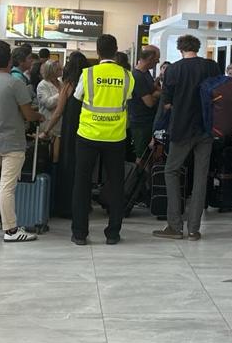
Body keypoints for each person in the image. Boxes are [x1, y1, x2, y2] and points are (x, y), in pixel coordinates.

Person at [152, 34, 219, 241]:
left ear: (180, 49)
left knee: (171, 170)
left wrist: (157, 129)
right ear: (197, 48)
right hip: (206, 128)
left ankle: (174, 225)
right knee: (200, 176)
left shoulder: (174, 69)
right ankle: (194, 229)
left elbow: (165, 102)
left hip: (181, 129)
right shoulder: (211, 67)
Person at [0, 41, 41, 242]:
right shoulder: (15, 83)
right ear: (10, 58)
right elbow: (28, 114)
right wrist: (40, 117)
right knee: (7, 186)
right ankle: (10, 230)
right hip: (12, 141)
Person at [71, 34, 133, 246]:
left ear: (97, 51)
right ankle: (113, 233)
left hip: (88, 135)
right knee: (115, 185)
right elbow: (127, 100)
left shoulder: (88, 74)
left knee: (82, 183)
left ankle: (80, 233)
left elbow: (77, 97)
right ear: (116, 51)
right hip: (116, 136)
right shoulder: (126, 76)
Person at [42, 52, 87, 219]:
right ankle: (82, 204)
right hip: (86, 128)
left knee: (68, 166)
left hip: (69, 130)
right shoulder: (88, 83)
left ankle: (66, 206)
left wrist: (46, 130)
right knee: (82, 169)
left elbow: (58, 111)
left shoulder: (68, 85)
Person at [127, 45, 161, 159]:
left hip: (148, 121)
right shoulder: (137, 76)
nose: (158, 61)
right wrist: (156, 94)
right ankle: (141, 176)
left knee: (147, 155)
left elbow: (153, 89)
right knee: (142, 156)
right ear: (151, 57)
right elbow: (149, 102)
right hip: (141, 123)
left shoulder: (146, 73)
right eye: (157, 58)